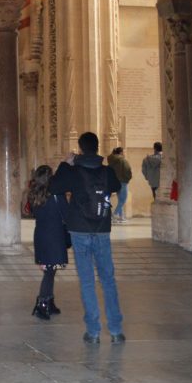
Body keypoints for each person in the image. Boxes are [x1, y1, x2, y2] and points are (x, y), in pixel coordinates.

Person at [50, 132, 124, 343]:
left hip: (79, 230)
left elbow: (54, 187)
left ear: (80, 149)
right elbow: (116, 187)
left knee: (87, 281)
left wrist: (66, 163)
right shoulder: (107, 171)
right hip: (101, 229)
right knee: (108, 279)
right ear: (97, 146)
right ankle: (116, 331)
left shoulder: (73, 171)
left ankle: (93, 332)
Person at [29, 164, 68, 320]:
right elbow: (66, 213)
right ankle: (42, 304)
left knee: (50, 271)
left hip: (41, 235)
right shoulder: (57, 195)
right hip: (55, 236)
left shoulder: (34, 195)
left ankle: (49, 301)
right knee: (49, 272)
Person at [107, 146, 132, 223]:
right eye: (124, 151)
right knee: (123, 200)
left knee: (120, 200)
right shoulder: (123, 160)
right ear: (121, 152)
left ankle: (121, 217)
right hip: (123, 181)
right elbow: (127, 170)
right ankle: (114, 215)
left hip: (115, 182)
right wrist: (128, 178)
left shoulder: (111, 160)